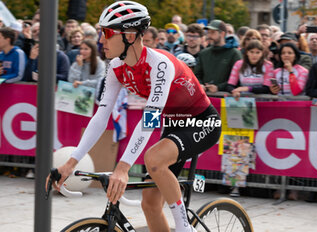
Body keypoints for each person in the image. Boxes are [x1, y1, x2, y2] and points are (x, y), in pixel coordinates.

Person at [47, 2, 221, 232]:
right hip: (174, 124)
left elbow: (150, 118)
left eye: (107, 33)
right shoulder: (116, 67)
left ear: (129, 35)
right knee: (149, 203)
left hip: (201, 121)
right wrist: (70, 163)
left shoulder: (160, 64)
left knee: (154, 158)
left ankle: (183, 228)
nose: (101, 40)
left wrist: (122, 168)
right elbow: (101, 116)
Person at [194, 19, 242, 93]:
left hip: (226, 98)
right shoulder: (203, 53)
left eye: (213, 32)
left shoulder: (234, 53)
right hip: (205, 97)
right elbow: (197, 75)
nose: (209, 36)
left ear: (222, 34)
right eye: (208, 32)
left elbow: (238, 78)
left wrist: (219, 87)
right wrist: (200, 84)